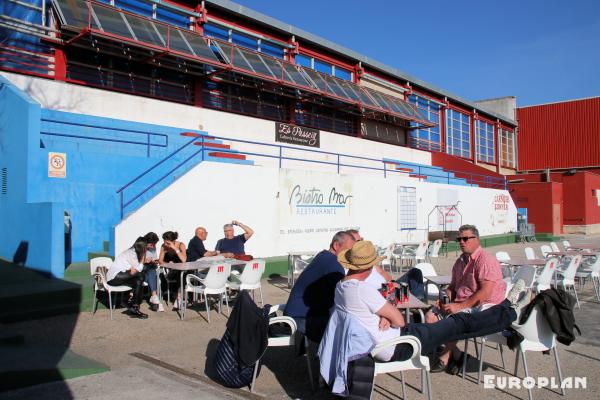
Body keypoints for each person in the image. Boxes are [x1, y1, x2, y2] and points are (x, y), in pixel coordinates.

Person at [329, 240, 525, 363]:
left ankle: (450, 354)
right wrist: (387, 313)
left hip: (384, 340)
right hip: (399, 344)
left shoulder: (341, 287)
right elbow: (399, 320)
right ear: (370, 266)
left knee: (455, 322)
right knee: (460, 323)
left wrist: (382, 313)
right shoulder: (363, 290)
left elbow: (375, 310)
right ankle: (510, 309)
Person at [425, 224, 507, 373]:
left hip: (483, 306)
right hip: (462, 302)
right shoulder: (460, 262)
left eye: (465, 238)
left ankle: (445, 356)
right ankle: (458, 354)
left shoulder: (485, 260)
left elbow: (485, 293)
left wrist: (459, 306)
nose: (462, 242)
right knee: (430, 317)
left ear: (477, 239)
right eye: (459, 239)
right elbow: (453, 287)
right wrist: (445, 298)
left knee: (454, 319)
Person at [283, 231, 356, 341]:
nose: (351, 255)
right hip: (300, 318)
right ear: (336, 245)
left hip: (296, 314)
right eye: (349, 250)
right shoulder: (333, 264)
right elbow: (347, 295)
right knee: (350, 331)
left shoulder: (324, 256)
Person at [347, 230, 425, 299]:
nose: (361, 243)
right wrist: (387, 287)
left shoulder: (364, 258)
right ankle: (417, 308)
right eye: (357, 241)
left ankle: (418, 302)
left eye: (361, 240)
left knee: (415, 272)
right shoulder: (349, 264)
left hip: (388, 285)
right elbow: (359, 288)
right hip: (378, 292)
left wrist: (391, 283)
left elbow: (381, 272)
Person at [106, 237, 149, 319]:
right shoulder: (131, 253)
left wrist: (132, 270)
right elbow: (139, 268)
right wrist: (143, 257)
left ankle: (134, 307)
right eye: (146, 247)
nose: (147, 249)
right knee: (141, 275)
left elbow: (135, 269)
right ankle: (128, 301)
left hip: (122, 277)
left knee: (138, 281)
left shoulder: (134, 253)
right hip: (113, 278)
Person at [159, 231, 188, 309]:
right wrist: (168, 264)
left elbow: (184, 260)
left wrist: (175, 248)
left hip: (180, 271)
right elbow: (160, 261)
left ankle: (179, 298)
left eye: (168, 243)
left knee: (182, 273)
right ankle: (179, 299)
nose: (166, 244)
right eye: (164, 242)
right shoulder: (163, 246)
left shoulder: (181, 245)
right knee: (181, 274)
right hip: (169, 272)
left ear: (173, 241)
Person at [143, 232, 162, 312]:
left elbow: (154, 258)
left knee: (151, 271)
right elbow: (135, 262)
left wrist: (155, 261)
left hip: (150, 268)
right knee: (151, 273)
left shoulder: (153, 247)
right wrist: (145, 261)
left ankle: (154, 297)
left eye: (155, 244)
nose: (154, 246)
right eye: (152, 244)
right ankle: (154, 296)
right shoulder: (140, 246)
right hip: (141, 269)